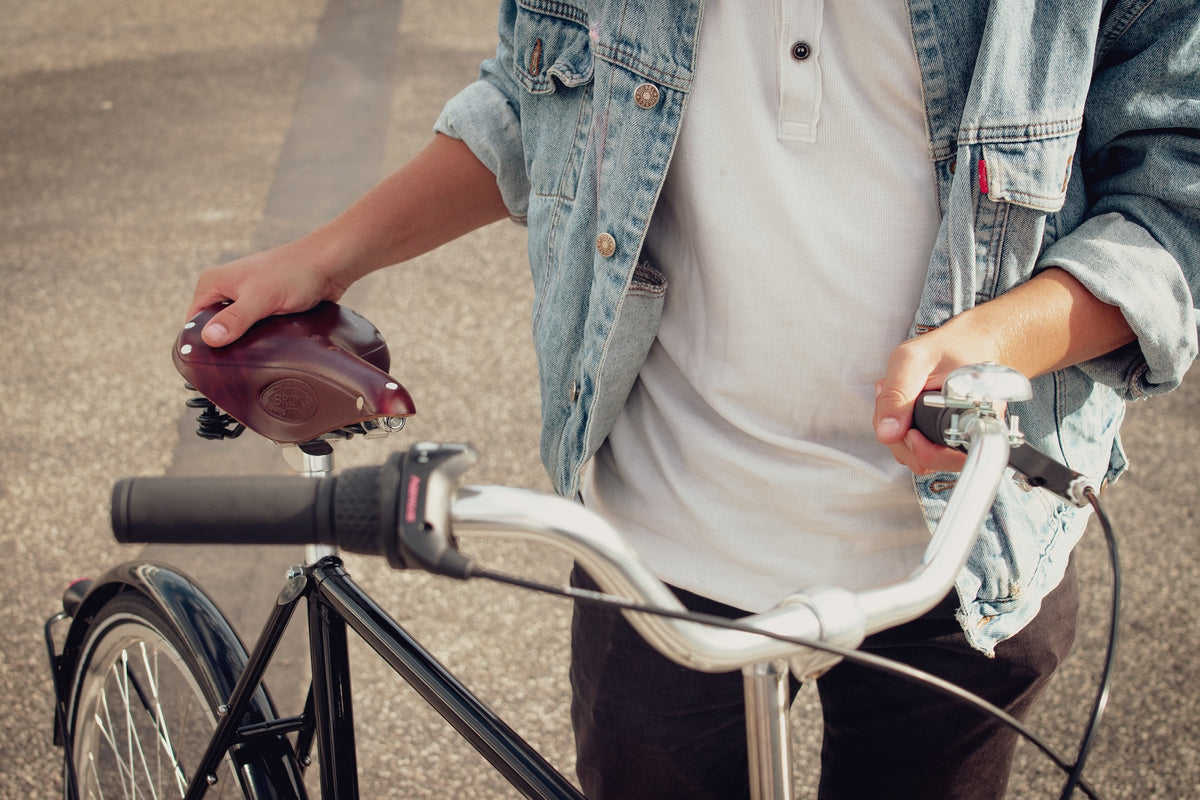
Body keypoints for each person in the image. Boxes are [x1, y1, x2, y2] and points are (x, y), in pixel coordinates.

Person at [187, 1, 1199, 797]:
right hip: (663, 542)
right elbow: (537, 95)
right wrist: (328, 254)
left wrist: (998, 340)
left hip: (962, 554)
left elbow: (1173, 183)